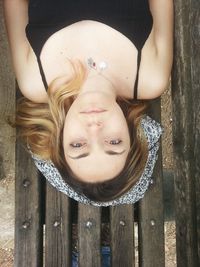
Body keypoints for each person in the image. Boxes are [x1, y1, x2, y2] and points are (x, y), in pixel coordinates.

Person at [3, 0, 173, 205]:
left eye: (77, 145)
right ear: (131, 133)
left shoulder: (36, 81)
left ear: (60, 140)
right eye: (114, 142)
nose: (94, 128)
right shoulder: (150, 76)